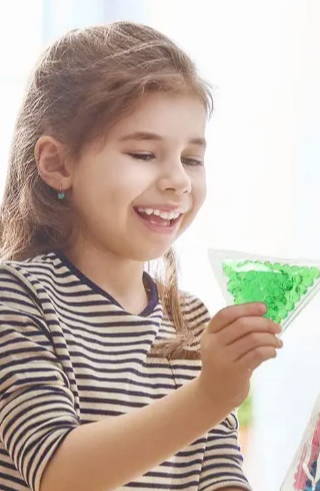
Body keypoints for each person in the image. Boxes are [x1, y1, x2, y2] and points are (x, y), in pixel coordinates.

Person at [0, 22, 283, 491]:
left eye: (191, 158)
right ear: (57, 164)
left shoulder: (190, 319)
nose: (178, 181)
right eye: (144, 153)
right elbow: (57, 474)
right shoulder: (16, 298)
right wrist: (209, 395)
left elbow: (220, 479)